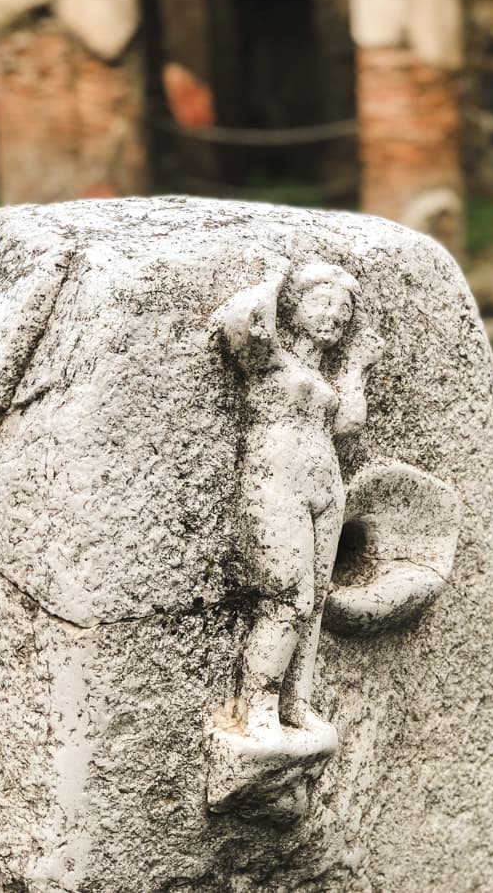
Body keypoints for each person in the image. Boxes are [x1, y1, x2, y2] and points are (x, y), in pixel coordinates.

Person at [211, 250, 381, 764]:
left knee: (316, 601)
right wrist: (275, 274)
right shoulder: (270, 358)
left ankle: (296, 702)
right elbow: (240, 322)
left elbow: (348, 423)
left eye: (343, 311)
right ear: (295, 305)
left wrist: (356, 366)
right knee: (287, 597)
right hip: (276, 475)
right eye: (322, 302)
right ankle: (258, 706)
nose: (333, 316)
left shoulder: (324, 376)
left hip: (325, 481)